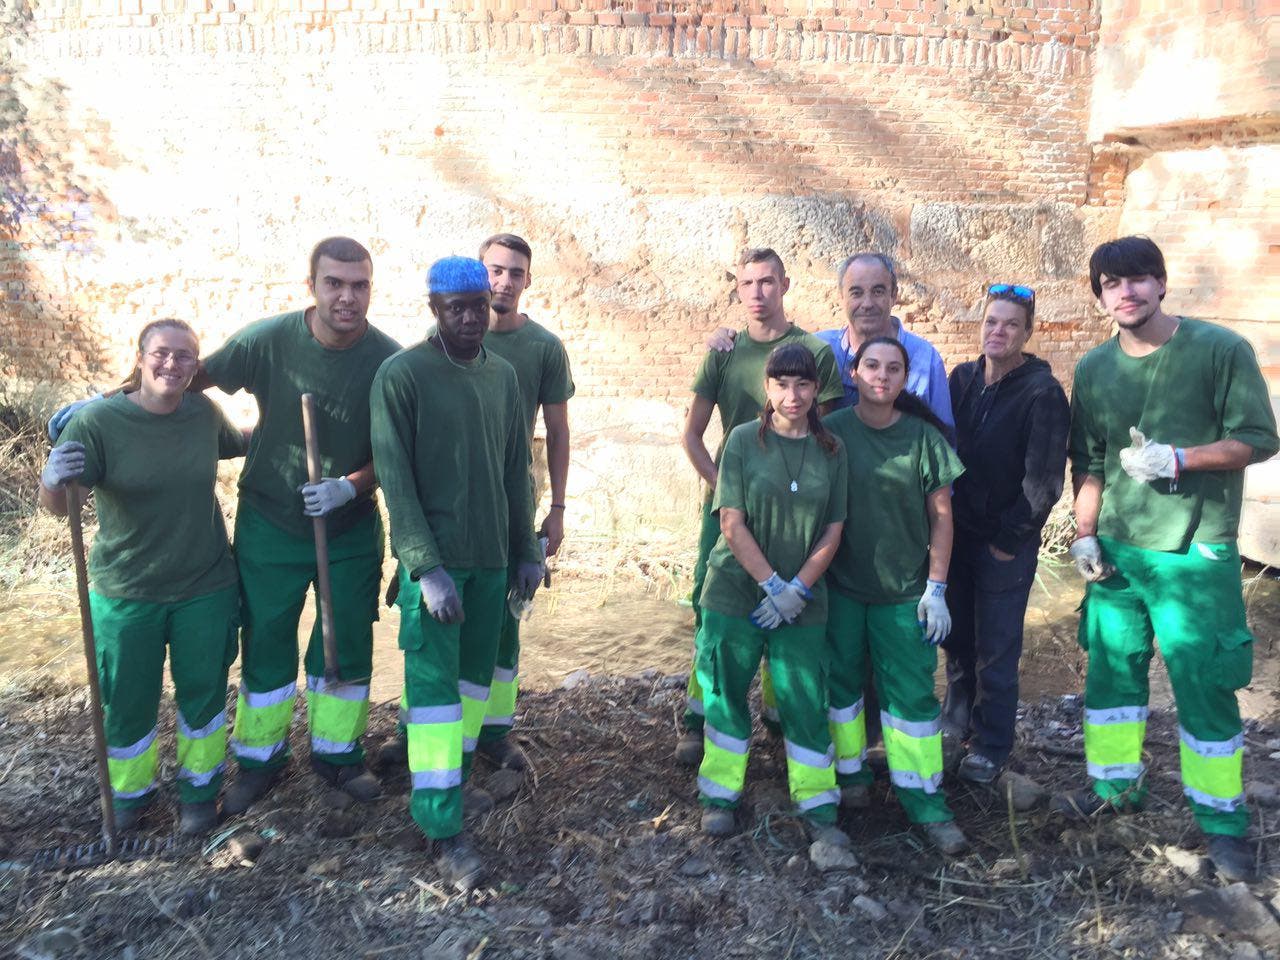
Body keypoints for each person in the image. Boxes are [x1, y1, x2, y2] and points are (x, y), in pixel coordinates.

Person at [1056, 236, 1278, 884]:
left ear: (1160, 283)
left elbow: (1258, 439)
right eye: (1110, 284)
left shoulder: (1217, 351)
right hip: (1119, 554)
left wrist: (1180, 458)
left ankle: (1224, 826)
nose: (1125, 293)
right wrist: (1084, 534)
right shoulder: (1095, 369)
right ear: (1099, 295)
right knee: (1111, 677)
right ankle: (1114, 789)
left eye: (1137, 280)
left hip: (1194, 551)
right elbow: (1089, 462)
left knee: (1204, 686)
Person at [370, 256, 542, 892]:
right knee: (437, 695)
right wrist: (425, 567)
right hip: (437, 568)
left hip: (493, 561)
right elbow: (396, 480)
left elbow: (514, 473)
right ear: (433, 308)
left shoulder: (501, 377)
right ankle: (442, 830)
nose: (471, 316)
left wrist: (525, 549)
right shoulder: (402, 376)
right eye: (456, 307)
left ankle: (452, 783)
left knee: (473, 687)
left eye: (480, 305)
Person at [39, 319, 246, 834]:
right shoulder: (97, 424)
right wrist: (50, 479)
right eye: (161, 353)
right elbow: (61, 509)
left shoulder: (203, 414)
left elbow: (239, 442)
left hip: (205, 585)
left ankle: (199, 795)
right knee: (128, 701)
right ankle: (130, 797)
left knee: (203, 695)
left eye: (185, 357)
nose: (172, 364)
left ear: (196, 367)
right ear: (140, 357)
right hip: (127, 591)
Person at [679, 248, 844, 766]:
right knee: (715, 609)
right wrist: (728, 491)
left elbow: (830, 436)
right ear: (737, 289)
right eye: (747, 283)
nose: (757, 292)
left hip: (796, 509)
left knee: (791, 609)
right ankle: (698, 718)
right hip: (728, 511)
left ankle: (778, 715)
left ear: (785, 285)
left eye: (767, 282)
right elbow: (692, 434)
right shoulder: (723, 350)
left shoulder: (811, 352)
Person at [823, 336, 969, 854]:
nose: (881, 376)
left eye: (893, 368)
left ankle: (925, 803)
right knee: (841, 691)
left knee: (911, 701)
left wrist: (936, 588)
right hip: (841, 588)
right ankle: (851, 781)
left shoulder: (924, 437)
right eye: (871, 366)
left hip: (905, 594)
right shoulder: (833, 432)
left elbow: (943, 517)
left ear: (906, 378)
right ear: (854, 373)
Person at [695, 343, 847, 839]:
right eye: (782, 384)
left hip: (803, 602)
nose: (793, 394)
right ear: (767, 388)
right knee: (726, 692)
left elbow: (833, 529)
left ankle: (817, 801)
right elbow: (732, 523)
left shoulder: (832, 449)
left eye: (803, 384)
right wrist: (771, 584)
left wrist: (797, 589)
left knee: (804, 696)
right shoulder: (742, 441)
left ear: (815, 389)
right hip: (737, 594)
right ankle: (720, 794)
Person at [942, 285, 1070, 783]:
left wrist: (1009, 538)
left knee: (996, 647)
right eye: (992, 322)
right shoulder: (963, 379)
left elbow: (1044, 482)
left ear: (1027, 332)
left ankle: (992, 743)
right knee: (956, 635)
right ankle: (956, 721)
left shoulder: (1042, 392)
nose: (999, 331)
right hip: (956, 536)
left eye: (1011, 324)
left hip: (1003, 544)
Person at [475, 233, 574, 769]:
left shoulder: (543, 348)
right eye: (495, 270)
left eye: (515, 273)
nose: (503, 282)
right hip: (459, 499)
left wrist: (556, 509)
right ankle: (419, 726)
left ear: (528, 280)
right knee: (442, 618)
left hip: (517, 498)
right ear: (479, 271)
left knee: (508, 610)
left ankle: (495, 729)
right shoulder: (445, 337)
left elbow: (557, 431)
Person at [704, 252, 954, 434]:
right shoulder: (818, 350)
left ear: (894, 295)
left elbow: (944, 440)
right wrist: (724, 338)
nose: (867, 303)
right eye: (856, 292)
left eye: (877, 291)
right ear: (841, 297)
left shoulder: (925, 359)